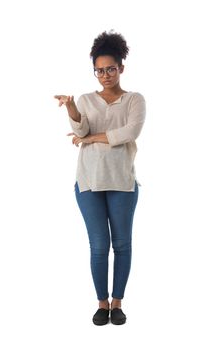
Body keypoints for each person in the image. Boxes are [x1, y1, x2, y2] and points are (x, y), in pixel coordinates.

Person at [54, 30, 146, 326]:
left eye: (110, 69)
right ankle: (101, 303)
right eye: (99, 70)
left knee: (121, 244)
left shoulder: (134, 100)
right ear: (94, 71)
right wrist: (71, 108)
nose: (105, 75)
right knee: (98, 246)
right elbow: (80, 133)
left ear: (121, 68)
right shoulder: (85, 99)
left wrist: (93, 136)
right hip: (89, 182)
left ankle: (118, 303)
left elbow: (128, 133)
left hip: (122, 183)